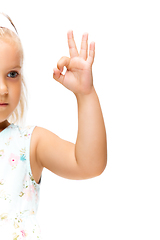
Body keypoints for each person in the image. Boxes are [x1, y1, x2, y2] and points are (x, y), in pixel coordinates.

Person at [0, 12, 107, 239]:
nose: (3, 89)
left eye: (12, 74)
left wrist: (85, 95)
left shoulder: (29, 143)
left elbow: (89, 164)